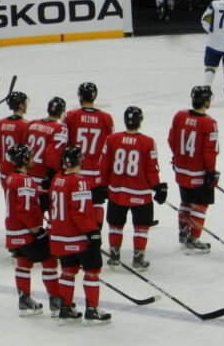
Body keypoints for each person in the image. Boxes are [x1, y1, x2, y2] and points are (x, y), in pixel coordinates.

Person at [98, 106, 166, 271]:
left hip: (117, 192)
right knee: (141, 227)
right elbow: (152, 169)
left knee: (115, 224)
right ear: (140, 121)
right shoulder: (148, 142)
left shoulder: (112, 139)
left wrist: (102, 185)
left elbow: (104, 165)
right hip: (140, 194)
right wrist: (158, 187)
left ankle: (114, 255)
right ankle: (138, 257)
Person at [48, 146, 110, 324]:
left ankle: (66, 309)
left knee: (68, 271)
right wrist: (92, 231)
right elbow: (80, 212)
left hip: (60, 236)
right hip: (78, 236)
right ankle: (92, 310)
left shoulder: (57, 179)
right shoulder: (80, 182)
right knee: (92, 271)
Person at [4, 144, 61, 317]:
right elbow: (25, 210)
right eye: (30, 156)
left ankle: (25, 300)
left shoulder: (10, 178)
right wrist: (36, 230)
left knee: (23, 262)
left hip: (12, 233)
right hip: (26, 232)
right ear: (24, 159)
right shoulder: (25, 180)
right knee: (50, 260)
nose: (33, 159)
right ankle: (57, 302)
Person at [168, 86, 217, 254]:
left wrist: (177, 158)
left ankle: (183, 232)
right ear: (206, 101)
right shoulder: (209, 123)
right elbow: (209, 151)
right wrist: (211, 172)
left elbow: (171, 139)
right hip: (199, 173)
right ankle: (193, 238)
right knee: (200, 206)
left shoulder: (180, 116)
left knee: (186, 202)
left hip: (181, 171)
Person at [64, 82, 114, 226]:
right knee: (97, 203)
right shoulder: (106, 118)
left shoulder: (71, 116)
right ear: (94, 96)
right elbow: (109, 147)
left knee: (76, 204)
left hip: (74, 170)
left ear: (80, 96)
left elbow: (63, 142)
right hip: (97, 172)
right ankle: (96, 234)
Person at [26, 96, 68, 214]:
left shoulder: (32, 124)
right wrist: (51, 175)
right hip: (44, 178)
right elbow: (52, 154)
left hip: (28, 176)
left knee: (31, 213)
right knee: (51, 212)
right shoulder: (60, 129)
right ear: (61, 112)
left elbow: (24, 146)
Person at [0, 91, 30, 189]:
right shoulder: (25, 125)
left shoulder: (0, 123)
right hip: (19, 172)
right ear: (21, 105)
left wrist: (3, 164)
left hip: (4, 170)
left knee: (9, 201)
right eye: (25, 102)